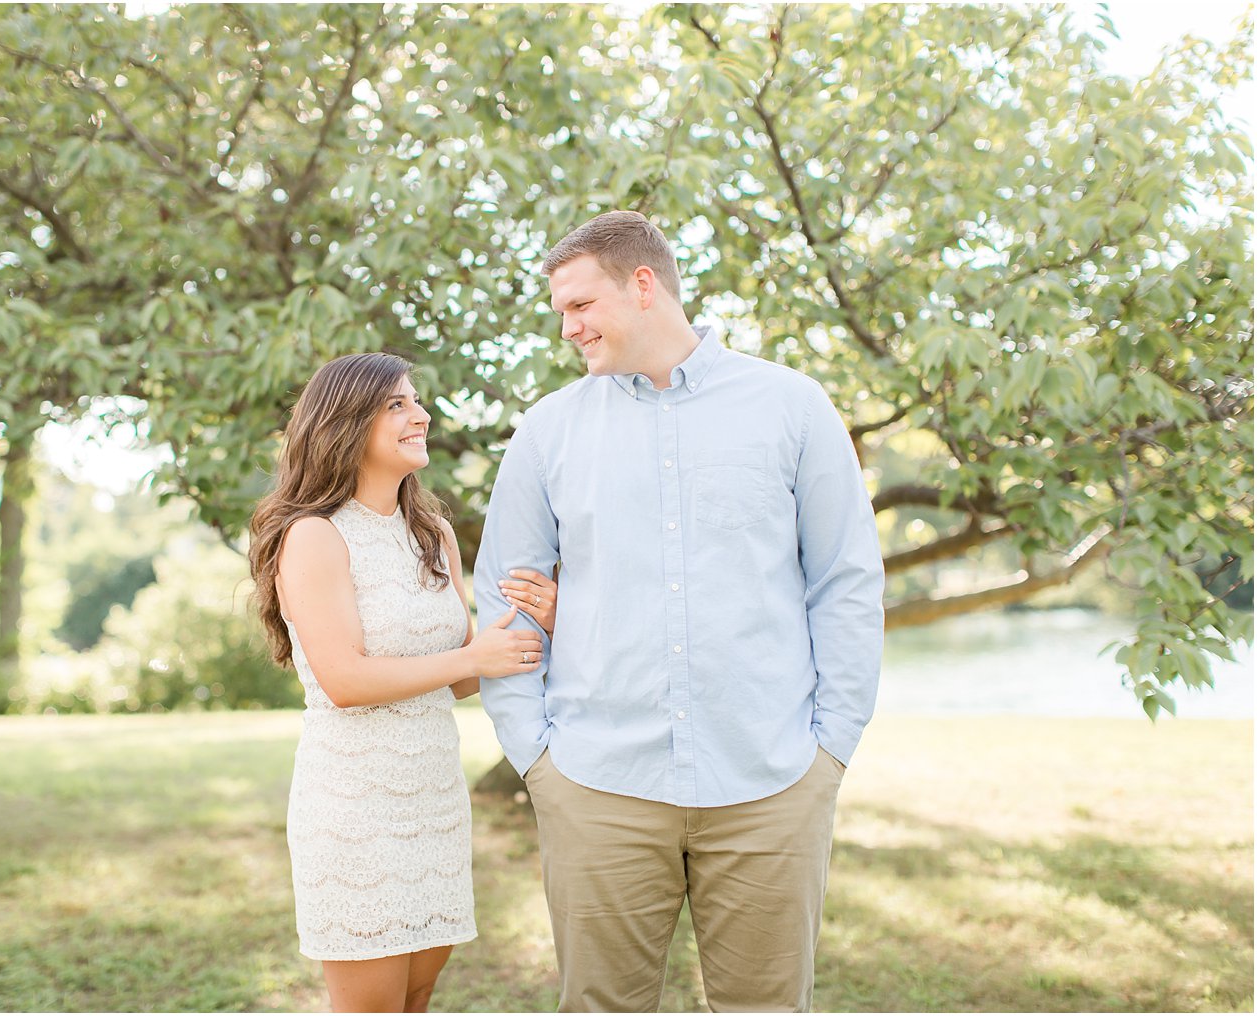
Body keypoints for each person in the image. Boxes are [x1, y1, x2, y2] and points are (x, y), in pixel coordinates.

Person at [474, 211, 884, 1012]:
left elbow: (845, 581)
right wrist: (537, 759)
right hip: (597, 784)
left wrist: (830, 748)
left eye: (580, 306)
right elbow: (505, 594)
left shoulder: (791, 407)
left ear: (643, 284)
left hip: (770, 782)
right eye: (562, 312)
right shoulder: (548, 431)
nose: (569, 328)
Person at [248, 352, 558, 1013]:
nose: (420, 415)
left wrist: (540, 622)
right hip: (355, 807)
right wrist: (473, 659)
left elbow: (461, 675)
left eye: (415, 400)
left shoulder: (432, 532)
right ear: (344, 424)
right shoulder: (313, 536)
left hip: (434, 801)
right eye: (397, 404)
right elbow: (345, 679)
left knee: (416, 999)